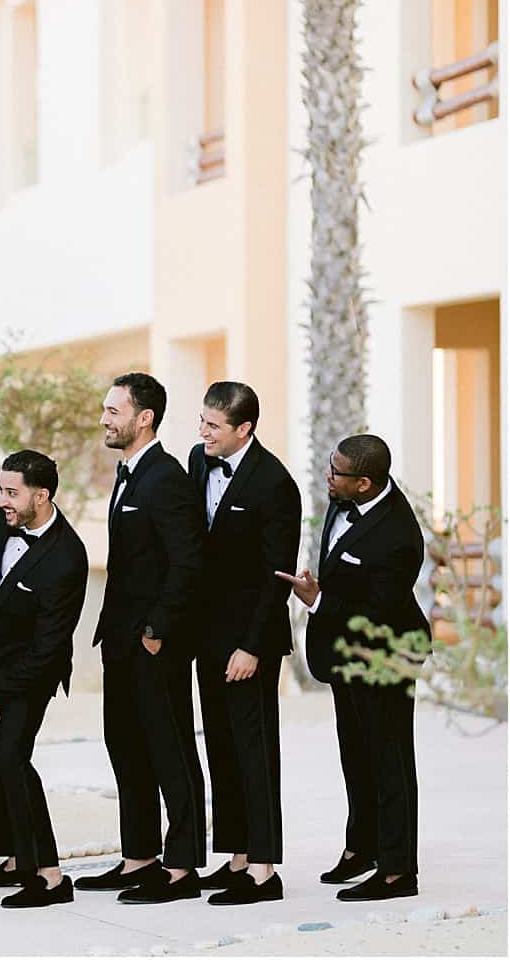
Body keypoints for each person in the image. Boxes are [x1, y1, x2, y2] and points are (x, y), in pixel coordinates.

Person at [277, 433, 427, 902]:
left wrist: (318, 599)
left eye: (337, 471)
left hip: (385, 654)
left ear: (364, 483)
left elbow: (377, 613)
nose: (328, 475)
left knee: (389, 760)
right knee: (356, 755)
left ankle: (398, 871)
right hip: (345, 652)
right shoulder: (344, 499)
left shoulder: (399, 536)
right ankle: (363, 847)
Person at [78, 372, 207, 904]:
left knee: (170, 752)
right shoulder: (129, 473)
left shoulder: (166, 478)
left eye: (114, 411)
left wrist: (156, 631)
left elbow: (187, 562)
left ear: (144, 418)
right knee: (126, 748)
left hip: (155, 646)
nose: (104, 419)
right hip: (120, 642)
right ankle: (139, 858)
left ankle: (181, 868)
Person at [0, 451, 88, 909]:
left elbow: (48, 647)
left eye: (12, 493)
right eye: (1, 490)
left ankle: (49, 876)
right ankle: (15, 856)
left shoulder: (68, 557)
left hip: (33, 672)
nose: (3, 501)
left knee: (11, 757)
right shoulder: (6, 519)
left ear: (42, 495)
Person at [187, 383, 300, 906]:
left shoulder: (275, 483)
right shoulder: (198, 461)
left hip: (251, 640)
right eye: (203, 421)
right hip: (208, 635)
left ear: (244, 428)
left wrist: (251, 648)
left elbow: (277, 578)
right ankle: (236, 857)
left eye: (213, 425)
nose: (203, 432)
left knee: (255, 750)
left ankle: (263, 869)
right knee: (221, 746)